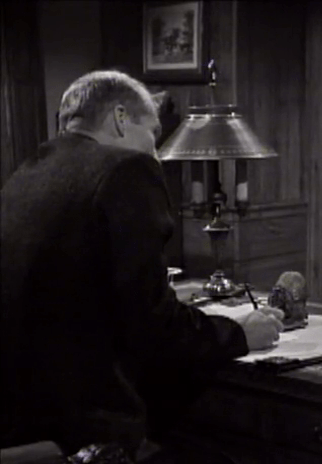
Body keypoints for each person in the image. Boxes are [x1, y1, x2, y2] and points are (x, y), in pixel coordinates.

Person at [0, 70, 284, 462]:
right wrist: (238, 333)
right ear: (120, 118)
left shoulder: (24, 174)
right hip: (88, 437)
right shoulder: (125, 169)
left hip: (20, 428)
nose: (154, 152)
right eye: (152, 134)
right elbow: (152, 325)